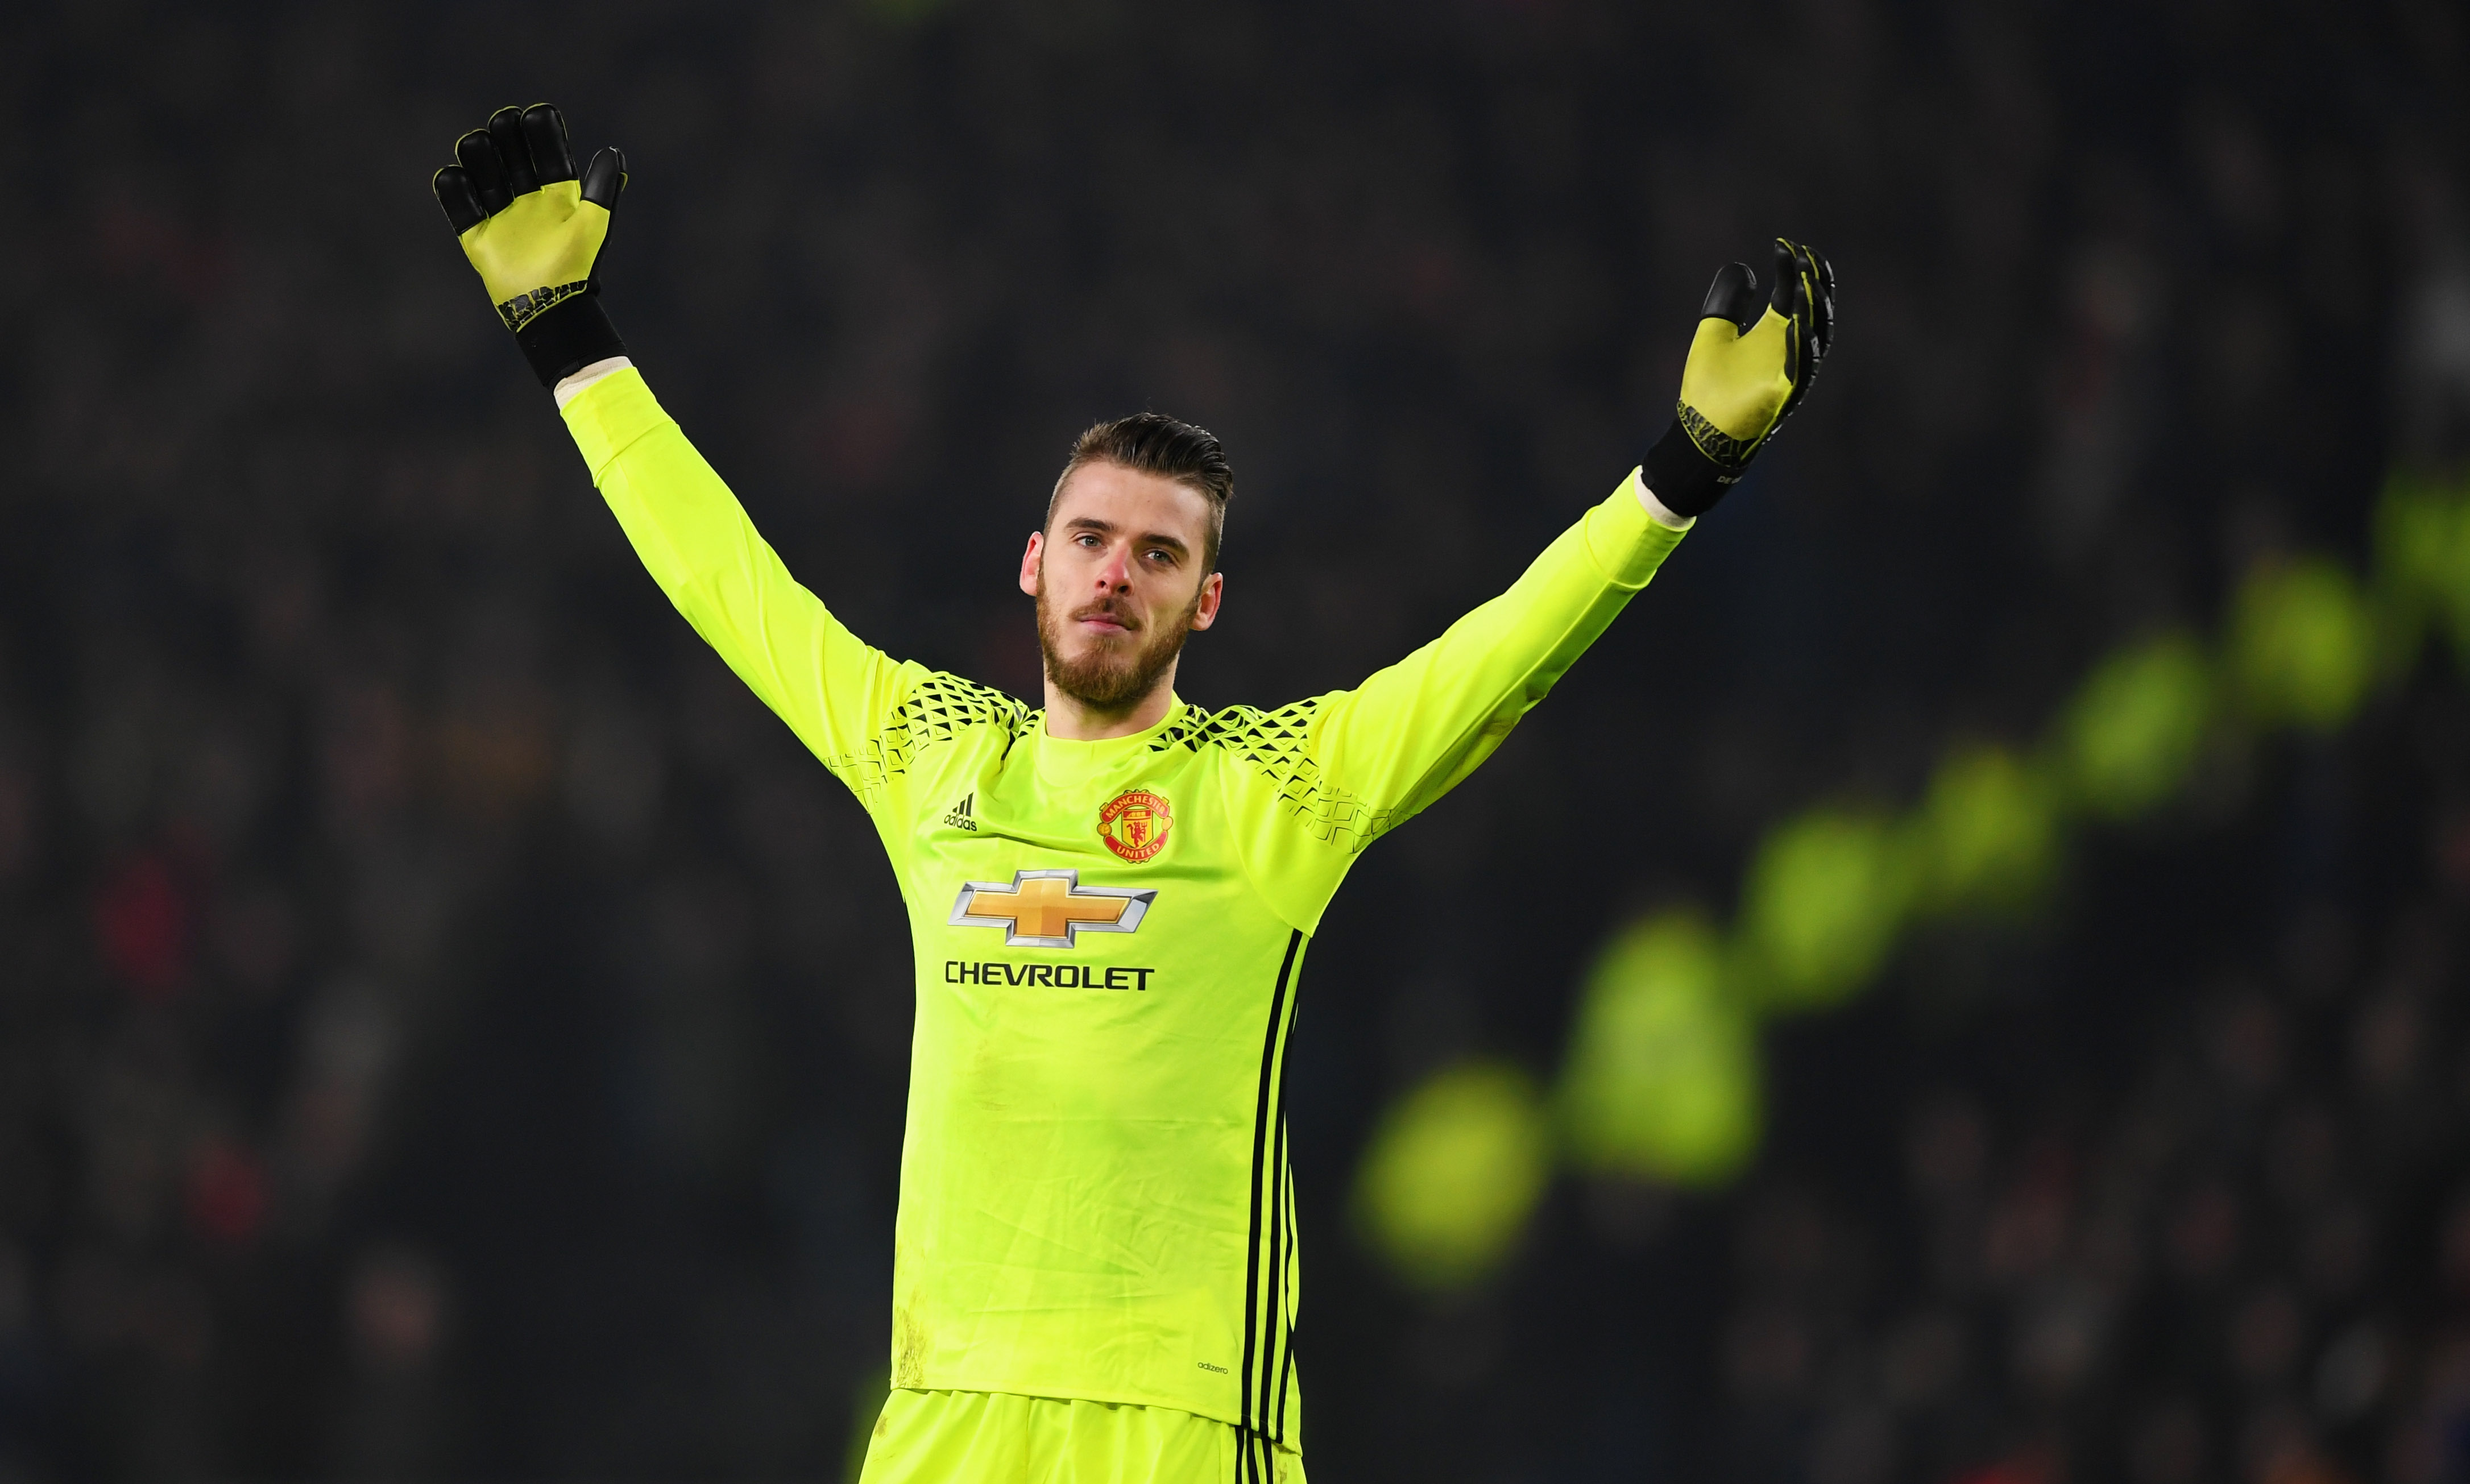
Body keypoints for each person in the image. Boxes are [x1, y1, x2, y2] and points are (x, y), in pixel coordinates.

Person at [431, 103, 1833, 1484]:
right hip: (950, 1418)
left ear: (1206, 602)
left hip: (1178, 1429)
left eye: (1158, 556)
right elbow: (730, 585)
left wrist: (1678, 477)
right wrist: (570, 340)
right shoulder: (934, 756)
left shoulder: (1277, 791)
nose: (1117, 571)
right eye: (1091, 538)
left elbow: (1498, 662)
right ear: (1034, 566)